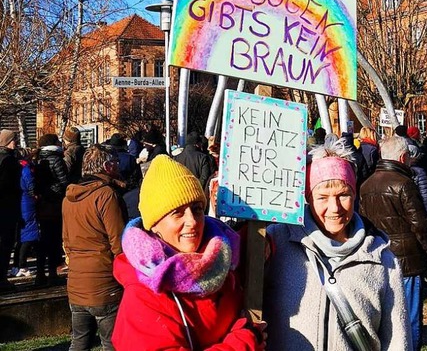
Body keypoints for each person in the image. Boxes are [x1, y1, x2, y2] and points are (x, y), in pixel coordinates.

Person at [263, 139, 411, 350]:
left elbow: (398, 341)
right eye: (322, 197)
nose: (334, 208)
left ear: (355, 195)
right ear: (308, 197)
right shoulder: (277, 242)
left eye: (343, 195)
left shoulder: (382, 260)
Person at [111, 155, 265, 350]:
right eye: (177, 212)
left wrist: (265, 242)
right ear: (154, 224)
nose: (192, 221)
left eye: (197, 209)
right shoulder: (143, 295)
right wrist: (243, 343)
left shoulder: (223, 257)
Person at [360, 136, 427, 351]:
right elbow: (420, 224)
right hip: (407, 259)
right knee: (409, 317)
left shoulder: (366, 185)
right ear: (403, 157)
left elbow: (364, 223)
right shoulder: (405, 184)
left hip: (379, 255)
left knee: (386, 315)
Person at [62, 145, 127, 350]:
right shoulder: (106, 195)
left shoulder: (68, 198)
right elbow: (118, 242)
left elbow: (66, 240)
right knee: (113, 342)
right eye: (115, 162)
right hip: (104, 282)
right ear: (107, 166)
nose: (119, 166)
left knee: (79, 342)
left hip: (76, 282)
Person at [34, 133, 69, 285]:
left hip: (42, 204)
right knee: (54, 239)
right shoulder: (57, 159)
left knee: (44, 240)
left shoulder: (39, 159)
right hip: (55, 204)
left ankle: (40, 273)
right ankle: (53, 273)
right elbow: (64, 182)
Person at [0, 130, 21, 291]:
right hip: (7, 208)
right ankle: (2, 278)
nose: (17, 142)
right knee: (5, 244)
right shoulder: (9, 161)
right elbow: (10, 186)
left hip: (7, 207)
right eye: (14, 140)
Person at [15, 148, 39, 278]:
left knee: (22, 234)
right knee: (29, 233)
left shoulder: (17, 167)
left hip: (20, 201)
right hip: (27, 202)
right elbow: (30, 184)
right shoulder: (26, 169)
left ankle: (17, 265)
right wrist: (34, 195)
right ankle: (22, 265)